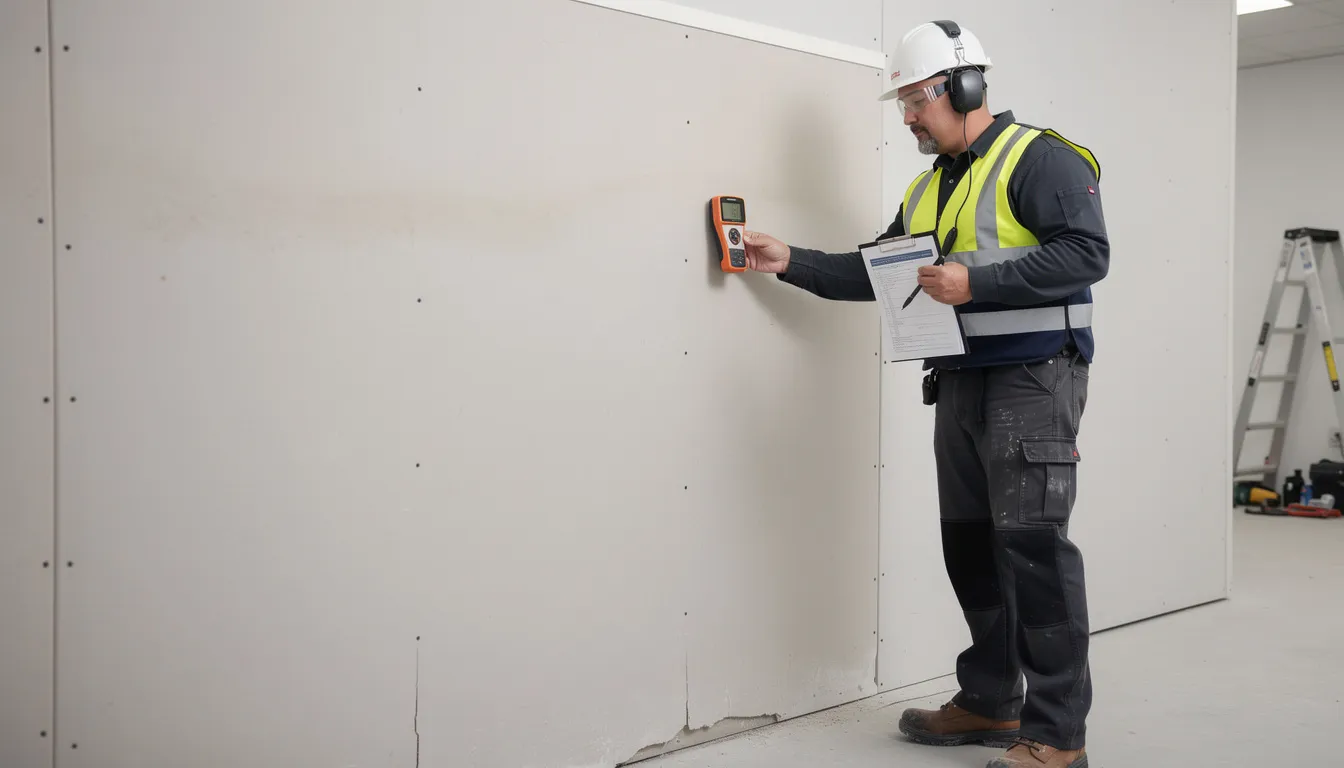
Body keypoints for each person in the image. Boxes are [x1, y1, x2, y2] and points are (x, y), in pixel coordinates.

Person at [741, 19, 1107, 768]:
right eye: (903, 101)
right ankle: (990, 699)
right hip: (963, 382)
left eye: (917, 98)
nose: (907, 115)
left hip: (1035, 378)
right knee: (971, 548)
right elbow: (881, 273)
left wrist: (979, 282)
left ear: (967, 85)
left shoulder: (1041, 159)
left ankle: (1058, 733)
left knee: (1034, 548)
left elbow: (1086, 254)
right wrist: (789, 261)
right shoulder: (929, 185)